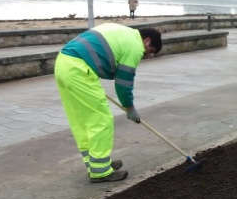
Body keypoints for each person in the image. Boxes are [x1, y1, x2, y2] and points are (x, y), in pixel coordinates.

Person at [54, 23, 162, 183]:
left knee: (82, 121)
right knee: (101, 120)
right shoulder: (135, 46)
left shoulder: (123, 32)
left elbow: (104, 56)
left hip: (63, 63)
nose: (146, 56)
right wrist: (130, 108)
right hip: (78, 70)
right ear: (147, 40)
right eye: (150, 51)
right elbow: (123, 83)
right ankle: (101, 172)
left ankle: (96, 163)